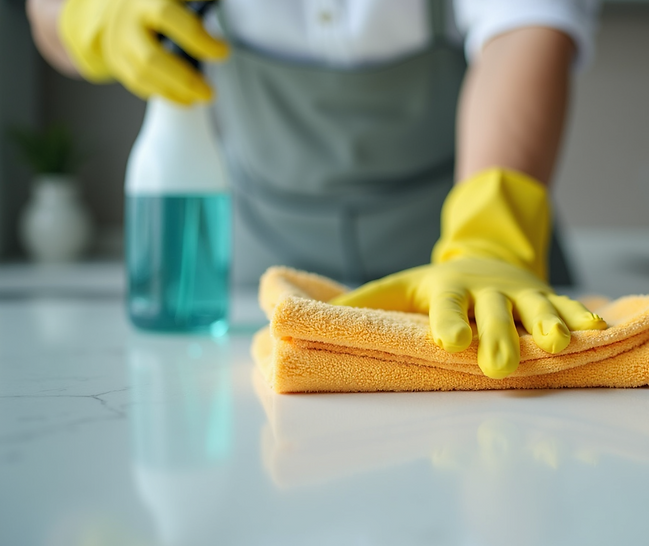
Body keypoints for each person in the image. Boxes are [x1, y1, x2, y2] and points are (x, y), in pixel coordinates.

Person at [27, 0, 608, 378]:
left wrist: (493, 241)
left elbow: (526, 30)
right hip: (257, 272)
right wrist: (83, 13)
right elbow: (47, 17)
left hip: (479, 278)